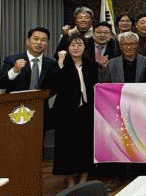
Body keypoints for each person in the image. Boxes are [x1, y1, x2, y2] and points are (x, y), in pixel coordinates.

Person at [53, 34, 97, 187]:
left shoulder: (91, 65)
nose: (76, 48)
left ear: (85, 47)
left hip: (86, 111)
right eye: (72, 45)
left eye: (79, 45)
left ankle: (84, 177)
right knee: (66, 145)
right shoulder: (62, 65)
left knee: (85, 144)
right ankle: (70, 179)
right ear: (67, 48)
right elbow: (56, 85)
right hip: (66, 111)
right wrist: (60, 64)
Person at [0, 27, 60, 130]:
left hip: (40, 110)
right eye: (36, 39)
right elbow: (2, 83)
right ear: (28, 40)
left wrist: (41, 96)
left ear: (47, 43)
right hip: (14, 109)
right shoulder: (11, 60)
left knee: (37, 138)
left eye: (43, 40)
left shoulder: (51, 64)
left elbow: (54, 86)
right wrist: (15, 70)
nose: (39, 42)